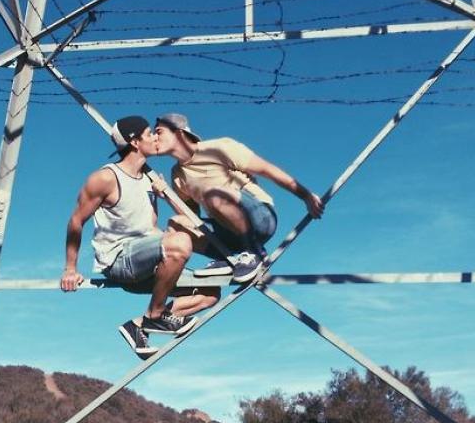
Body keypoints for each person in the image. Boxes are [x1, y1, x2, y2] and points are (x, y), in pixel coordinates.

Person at [60, 115, 220, 357]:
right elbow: (75, 221)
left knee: (210, 292)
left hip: (150, 263)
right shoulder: (105, 178)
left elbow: (181, 220)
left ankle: (139, 324)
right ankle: (157, 315)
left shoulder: (150, 178)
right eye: (149, 134)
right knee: (179, 242)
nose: (156, 138)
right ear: (135, 142)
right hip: (119, 260)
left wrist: (165, 195)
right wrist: (70, 268)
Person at [154, 113, 324, 283]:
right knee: (175, 224)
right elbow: (191, 218)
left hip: (259, 217)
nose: (154, 138)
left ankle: (254, 252)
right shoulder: (177, 175)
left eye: (159, 132)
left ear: (178, 133)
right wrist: (167, 196)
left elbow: (267, 170)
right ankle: (227, 259)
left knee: (212, 193)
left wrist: (306, 196)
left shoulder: (218, 148)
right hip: (226, 230)